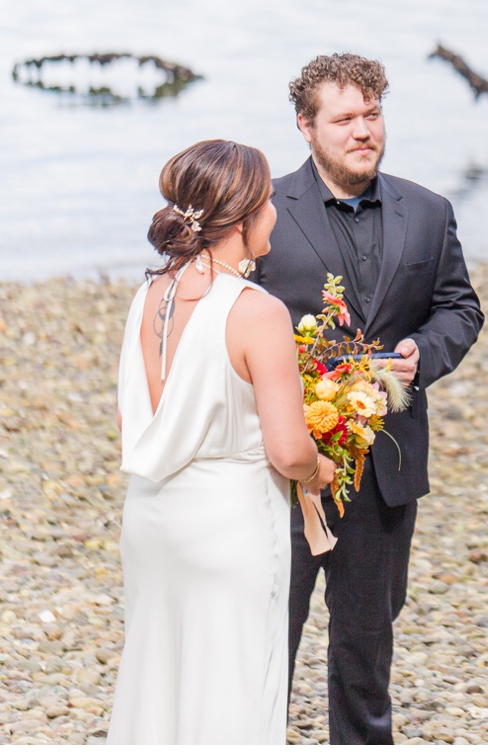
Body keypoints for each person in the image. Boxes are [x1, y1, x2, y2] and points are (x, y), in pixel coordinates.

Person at [255, 53, 484, 745]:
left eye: (373, 114)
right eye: (345, 118)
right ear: (305, 125)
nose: (364, 131)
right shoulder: (262, 210)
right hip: (280, 467)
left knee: (366, 644)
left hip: (383, 468)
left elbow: (460, 309)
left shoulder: (429, 210)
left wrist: (426, 354)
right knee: (266, 636)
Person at [109, 139, 337, 745]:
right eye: (265, 204)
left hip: (152, 518)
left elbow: (135, 424)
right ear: (238, 220)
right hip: (228, 526)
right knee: (234, 688)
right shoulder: (256, 311)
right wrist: (321, 470)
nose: (276, 215)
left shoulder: (146, 297)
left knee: (159, 684)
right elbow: (287, 450)